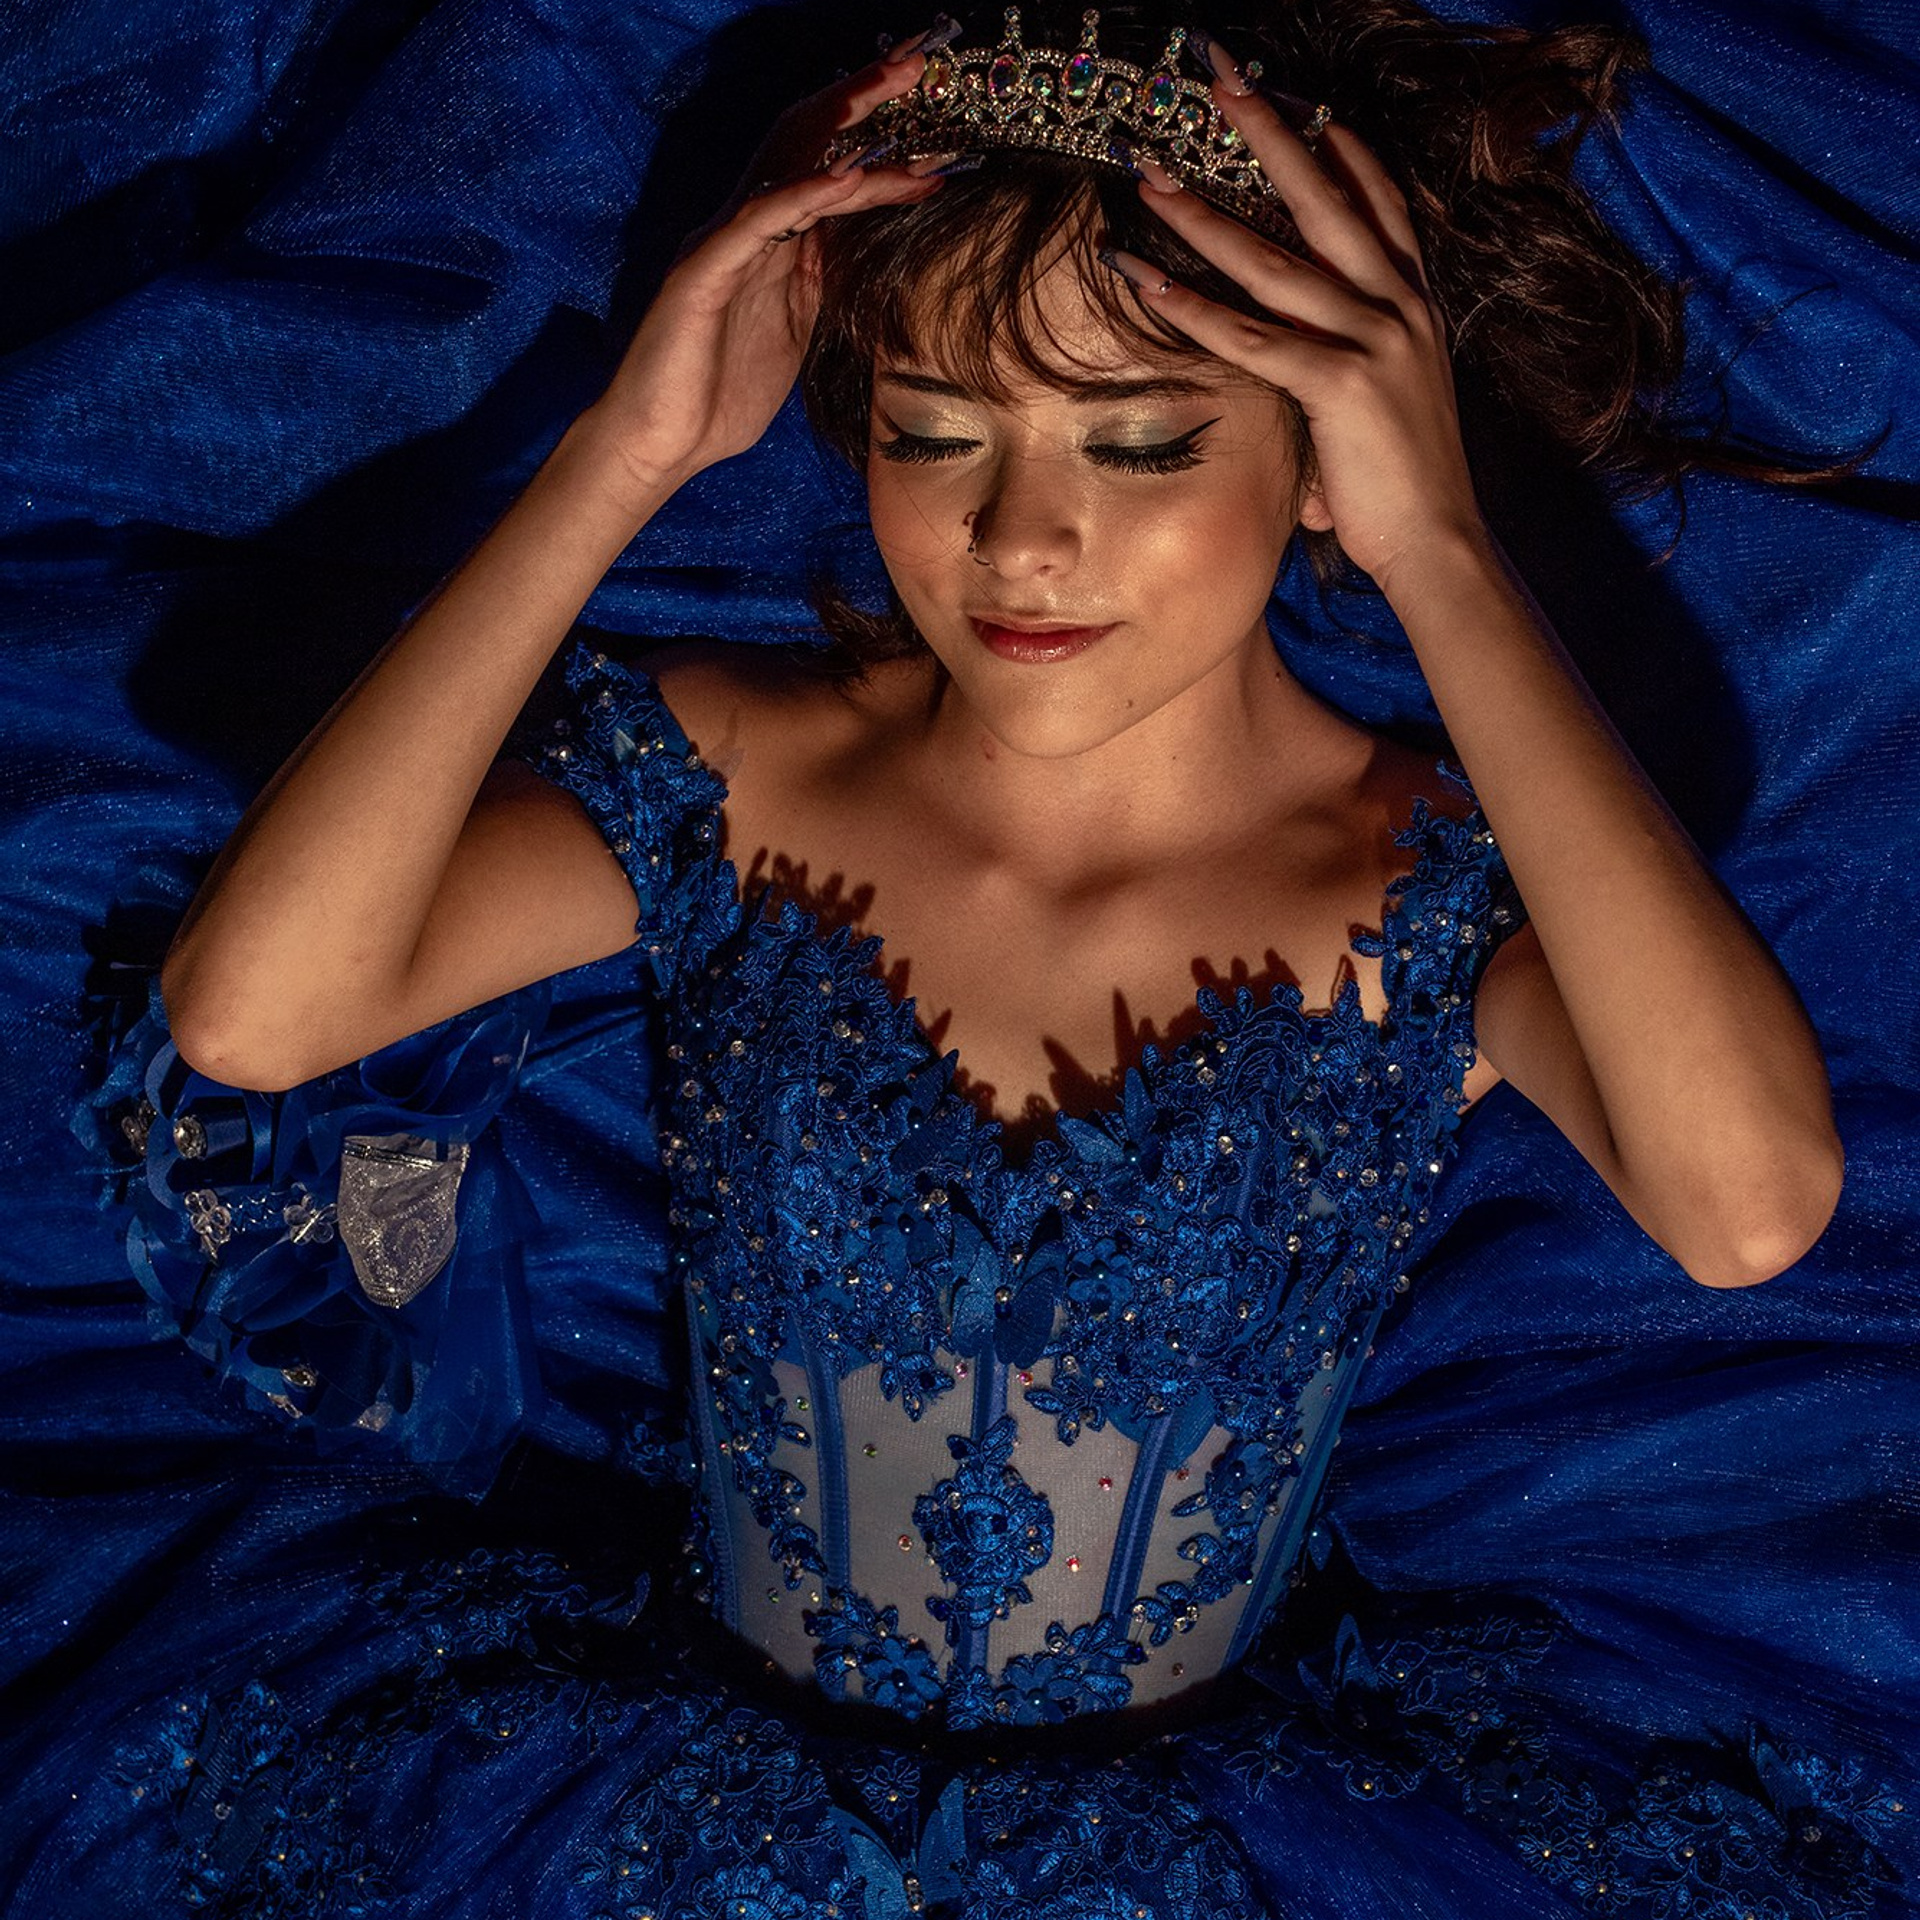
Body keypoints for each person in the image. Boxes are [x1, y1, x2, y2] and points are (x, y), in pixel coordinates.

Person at [5, 5, 1911, 1918]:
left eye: (1143, 439)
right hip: (661, 1818)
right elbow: (254, 1018)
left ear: (1328, 450)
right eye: (936, 434)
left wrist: (1439, 550)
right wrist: (627, 453)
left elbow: (1745, 1205)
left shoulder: (1428, 880)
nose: (1021, 534)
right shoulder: (743, 767)